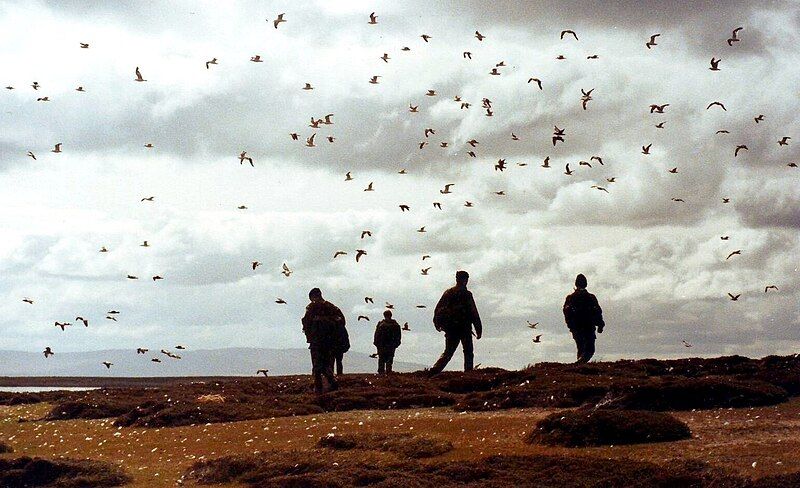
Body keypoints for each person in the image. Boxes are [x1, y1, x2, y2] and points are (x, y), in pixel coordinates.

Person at [429, 270, 482, 374]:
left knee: (448, 352)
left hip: (451, 329)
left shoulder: (448, 293)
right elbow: (474, 313)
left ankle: (433, 372)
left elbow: (438, 309)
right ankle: (468, 374)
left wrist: (437, 324)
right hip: (464, 328)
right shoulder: (467, 295)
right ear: (465, 280)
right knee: (468, 352)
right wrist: (478, 329)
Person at [301, 288, 344, 393]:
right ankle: (332, 383)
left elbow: (305, 322)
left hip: (317, 341)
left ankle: (320, 389)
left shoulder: (311, 308)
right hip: (329, 342)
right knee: (326, 364)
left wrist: (310, 335)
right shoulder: (331, 307)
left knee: (317, 366)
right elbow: (341, 321)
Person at [563, 273, 605, 363]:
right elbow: (597, 311)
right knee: (589, 350)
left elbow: (566, 312)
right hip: (589, 326)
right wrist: (600, 324)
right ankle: (579, 365)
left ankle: (579, 366)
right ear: (586, 284)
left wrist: (570, 325)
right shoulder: (591, 297)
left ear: (576, 284)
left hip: (576, 327)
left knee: (581, 348)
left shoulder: (570, 298)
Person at [373, 310, 402, 374]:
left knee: (381, 358)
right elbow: (398, 335)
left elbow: (377, 334)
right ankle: (388, 371)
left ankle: (381, 372)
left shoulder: (381, 324)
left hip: (382, 344)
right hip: (390, 345)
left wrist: (376, 343)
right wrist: (397, 343)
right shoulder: (395, 324)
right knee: (389, 358)